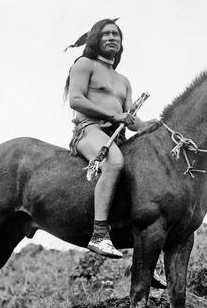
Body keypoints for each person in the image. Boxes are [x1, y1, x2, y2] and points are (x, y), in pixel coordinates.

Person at [64, 18, 156, 258]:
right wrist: (115, 115)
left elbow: (129, 119)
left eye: (116, 34)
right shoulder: (85, 64)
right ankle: (99, 235)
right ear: (96, 39)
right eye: (106, 34)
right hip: (89, 130)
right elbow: (76, 100)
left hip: (117, 136)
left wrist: (147, 125)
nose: (112, 38)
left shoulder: (123, 81)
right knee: (114, 162)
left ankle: (144, 251)